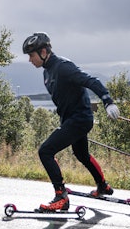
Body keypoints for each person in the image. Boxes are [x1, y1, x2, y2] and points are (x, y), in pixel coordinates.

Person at [22, 32, 120, 212]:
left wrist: (108, 101)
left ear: (43, 52)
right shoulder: (47, 72)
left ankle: (61, 196)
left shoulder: (63, 67)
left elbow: (91, 81)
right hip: (72, 120)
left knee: (45, 151)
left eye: (31, 55)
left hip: (79, 120)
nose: (30, 60)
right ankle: (103, 186)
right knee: (81, 154)